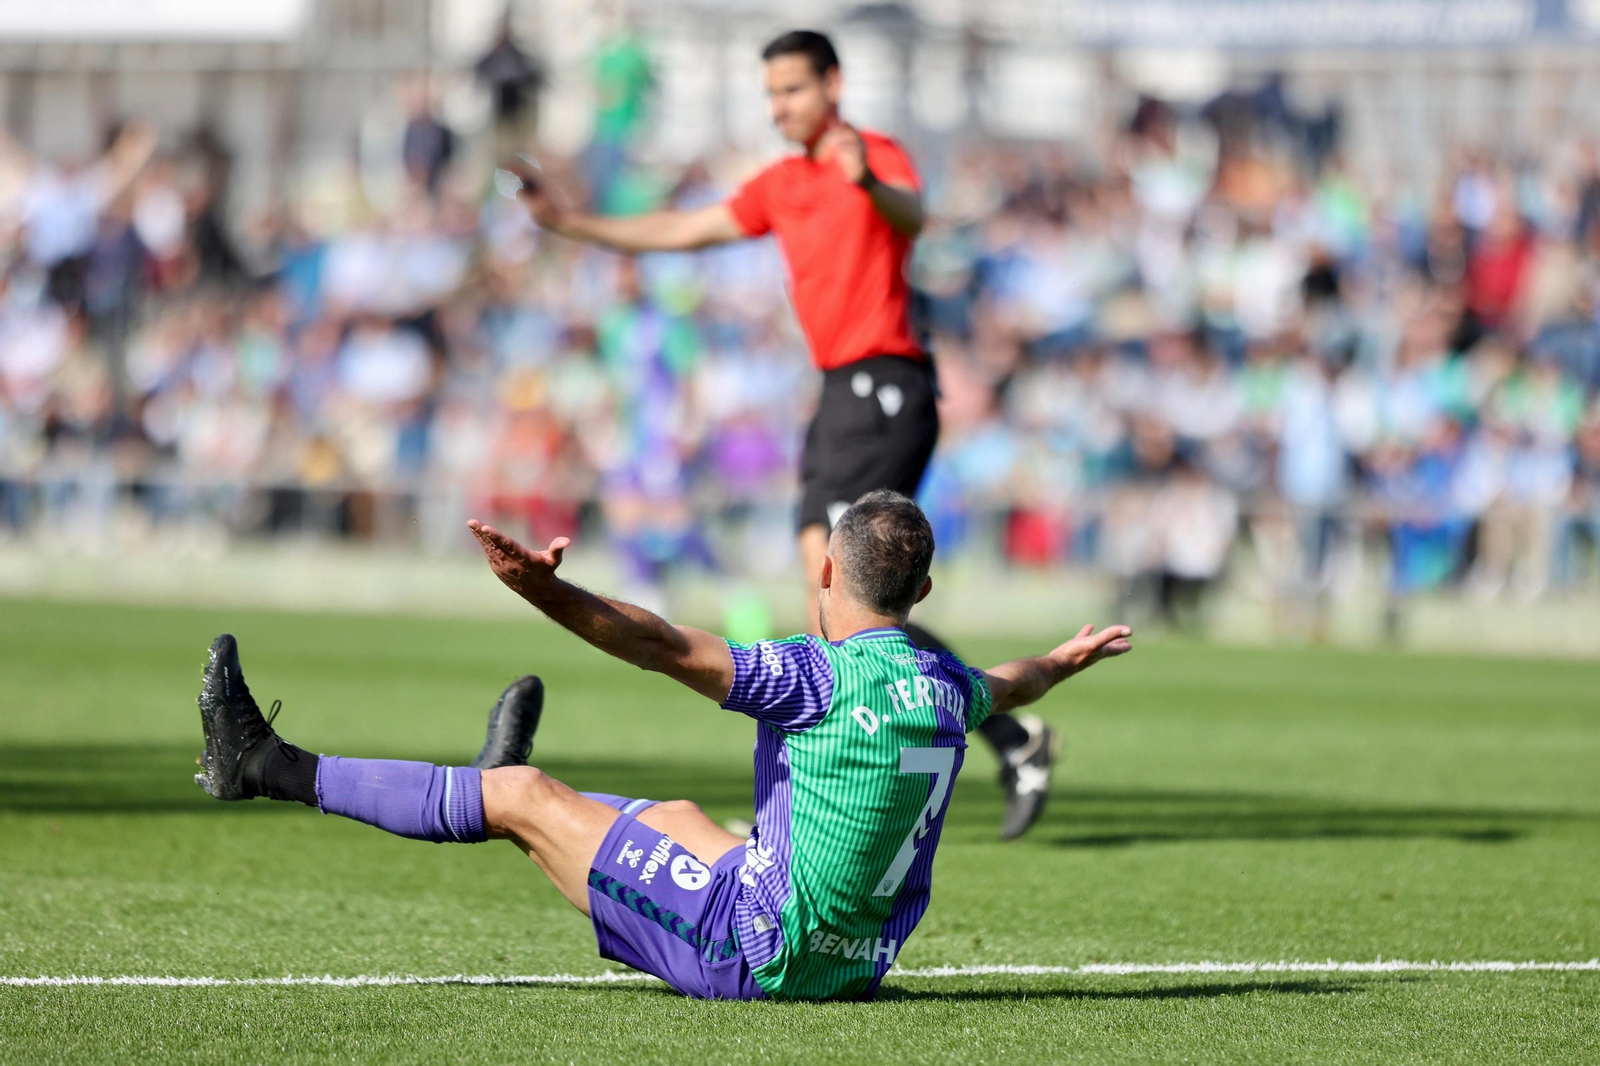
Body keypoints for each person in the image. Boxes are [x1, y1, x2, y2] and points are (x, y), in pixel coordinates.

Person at [193, 490, 1132, 1001]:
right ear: (921, 598)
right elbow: (1021, 682)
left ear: (825, 571)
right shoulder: (947, 688)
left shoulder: (813, 676)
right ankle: (493, 789)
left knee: (528, 800)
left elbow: (656, 644)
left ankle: (263, 764)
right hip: (856, 962)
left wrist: (541, 590)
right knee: (683, 818)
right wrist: (1066, 657)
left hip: (762, 951)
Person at [505, 29, 1062, 839]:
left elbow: (912, 213)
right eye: (770, 95)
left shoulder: (868, 155)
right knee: (824, 599)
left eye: (792, 90)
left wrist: (867, 177)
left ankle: (919, 761)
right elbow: (682, 230)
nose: (779, 108)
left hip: (886, 382)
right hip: (841, 392)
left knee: (841, 595)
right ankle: (986, 742)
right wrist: (571, 224)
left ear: (833, 84)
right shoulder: (782, 184)